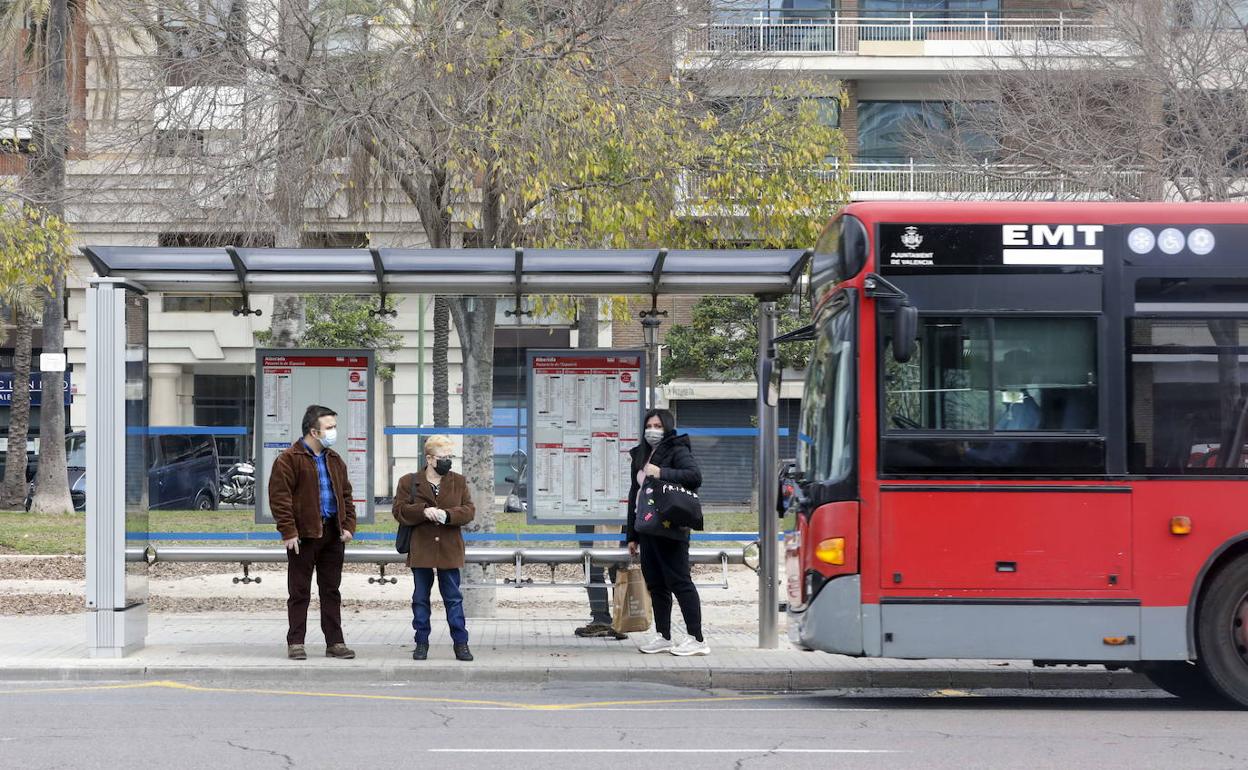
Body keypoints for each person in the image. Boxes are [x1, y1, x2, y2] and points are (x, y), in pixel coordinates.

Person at [269, 404, 356, 661]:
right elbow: (280, 498)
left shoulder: (335, 460)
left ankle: (335, 642)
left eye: (334, 427)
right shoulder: (288, 459)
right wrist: (288, 532)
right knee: (299, 591)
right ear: (313, 432)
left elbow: (347, 496)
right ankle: (296, 642)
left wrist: (349, 526)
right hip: (303, 536)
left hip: (333, 534)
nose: (333, 432)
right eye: (329, 428)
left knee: (331, 590)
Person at [626, 408, 708, 656]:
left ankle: (697, 638)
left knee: (680, 581)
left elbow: (694, 476)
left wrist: (661, 472)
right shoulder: (641, 455)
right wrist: (631, 535)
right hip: (647, 528)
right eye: (649, 425)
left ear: (668, 427)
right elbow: (634, 495)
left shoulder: (677, 448)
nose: (653, 430)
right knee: (656, 583)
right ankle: (663, 635)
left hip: (671, 527)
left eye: (658, 425)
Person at [392, 435, 476, 662]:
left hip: (449, 549)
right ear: (430, 459)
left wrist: (447, 515)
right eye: (443, 457)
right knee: (420, 598)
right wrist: (422, 511)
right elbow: (398, 510)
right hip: (421, 548)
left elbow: (469, 510)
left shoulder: (458, 481)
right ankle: (421, 642)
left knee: (453, 598)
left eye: (451, 457)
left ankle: (461, 643)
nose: (448, 461)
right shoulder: (408, 481)